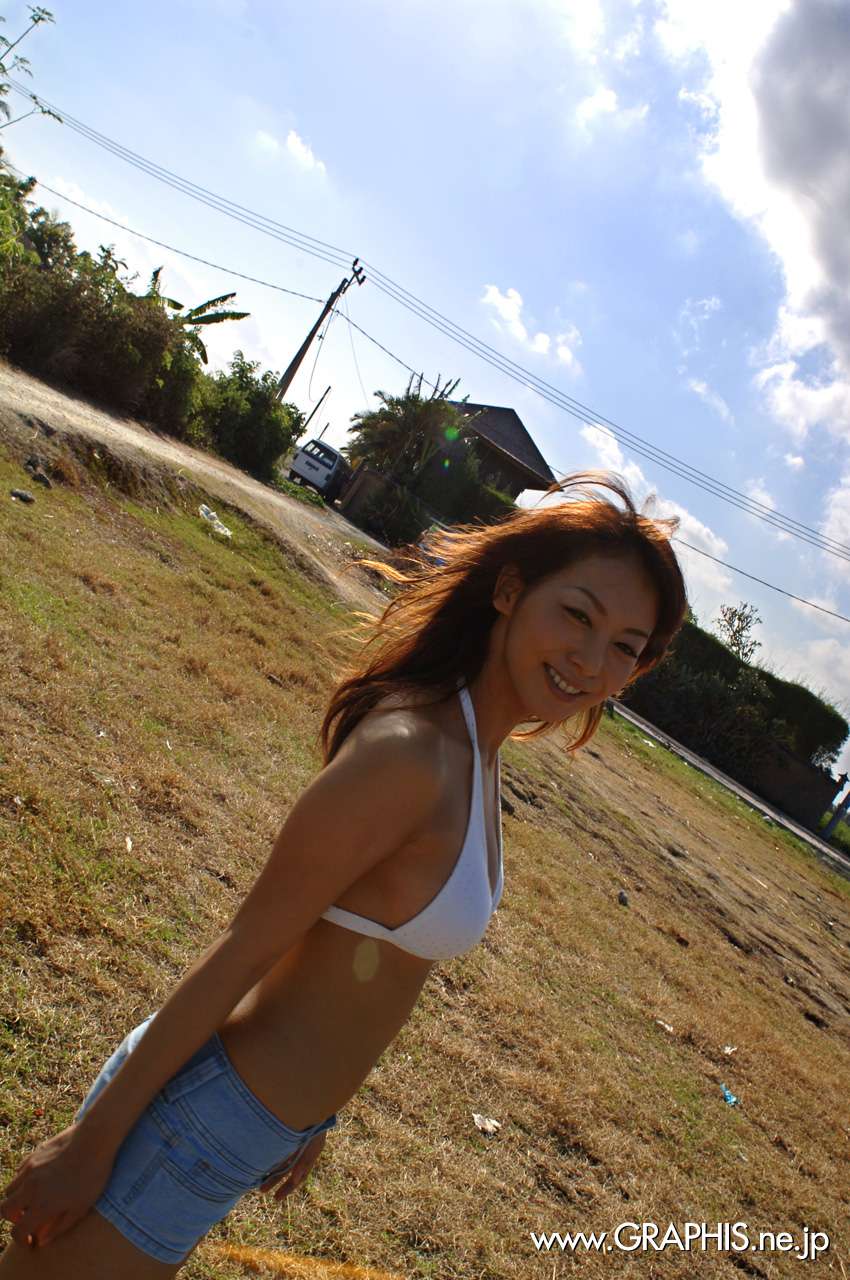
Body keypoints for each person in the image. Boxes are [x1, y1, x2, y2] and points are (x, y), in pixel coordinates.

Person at [0, 470, 688, 1277]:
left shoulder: (478, 751)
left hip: (244, 1127)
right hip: (190, 1120)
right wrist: (92, 1142)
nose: (591, 660)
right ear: (510, 592)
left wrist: (316, 1115)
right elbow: (245, 947)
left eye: (625, 647)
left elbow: (358, 967)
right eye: (578, 615)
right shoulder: (412, 754)